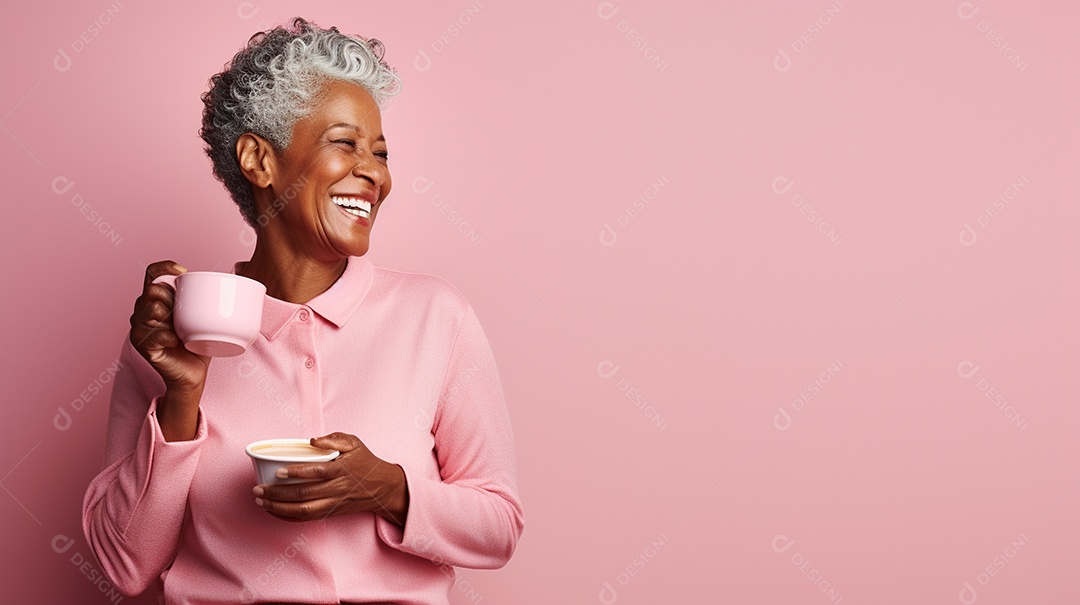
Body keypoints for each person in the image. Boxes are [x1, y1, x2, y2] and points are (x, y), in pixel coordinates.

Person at [82, 18, 523, 604]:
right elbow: (123, 565)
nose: (374, 173)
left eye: (381, 152)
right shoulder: (172, 333)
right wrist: (181, 398)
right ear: (260, 161)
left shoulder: (437, 317)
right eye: (345, 143)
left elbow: (499, 529)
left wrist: (388, 489)